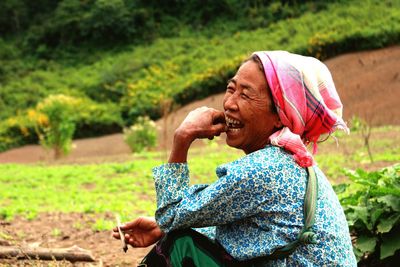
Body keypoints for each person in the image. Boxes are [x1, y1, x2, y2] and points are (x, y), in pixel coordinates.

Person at [113, 51, 357, 266]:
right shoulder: (289, 159)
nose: (229, 103)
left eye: (246, 95)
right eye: (231, 89)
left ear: (280, 115)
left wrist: (182, 137)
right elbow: (249, 229)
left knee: (180, 245)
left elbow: (170, 214)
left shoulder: (263, 169)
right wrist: (161, 227)